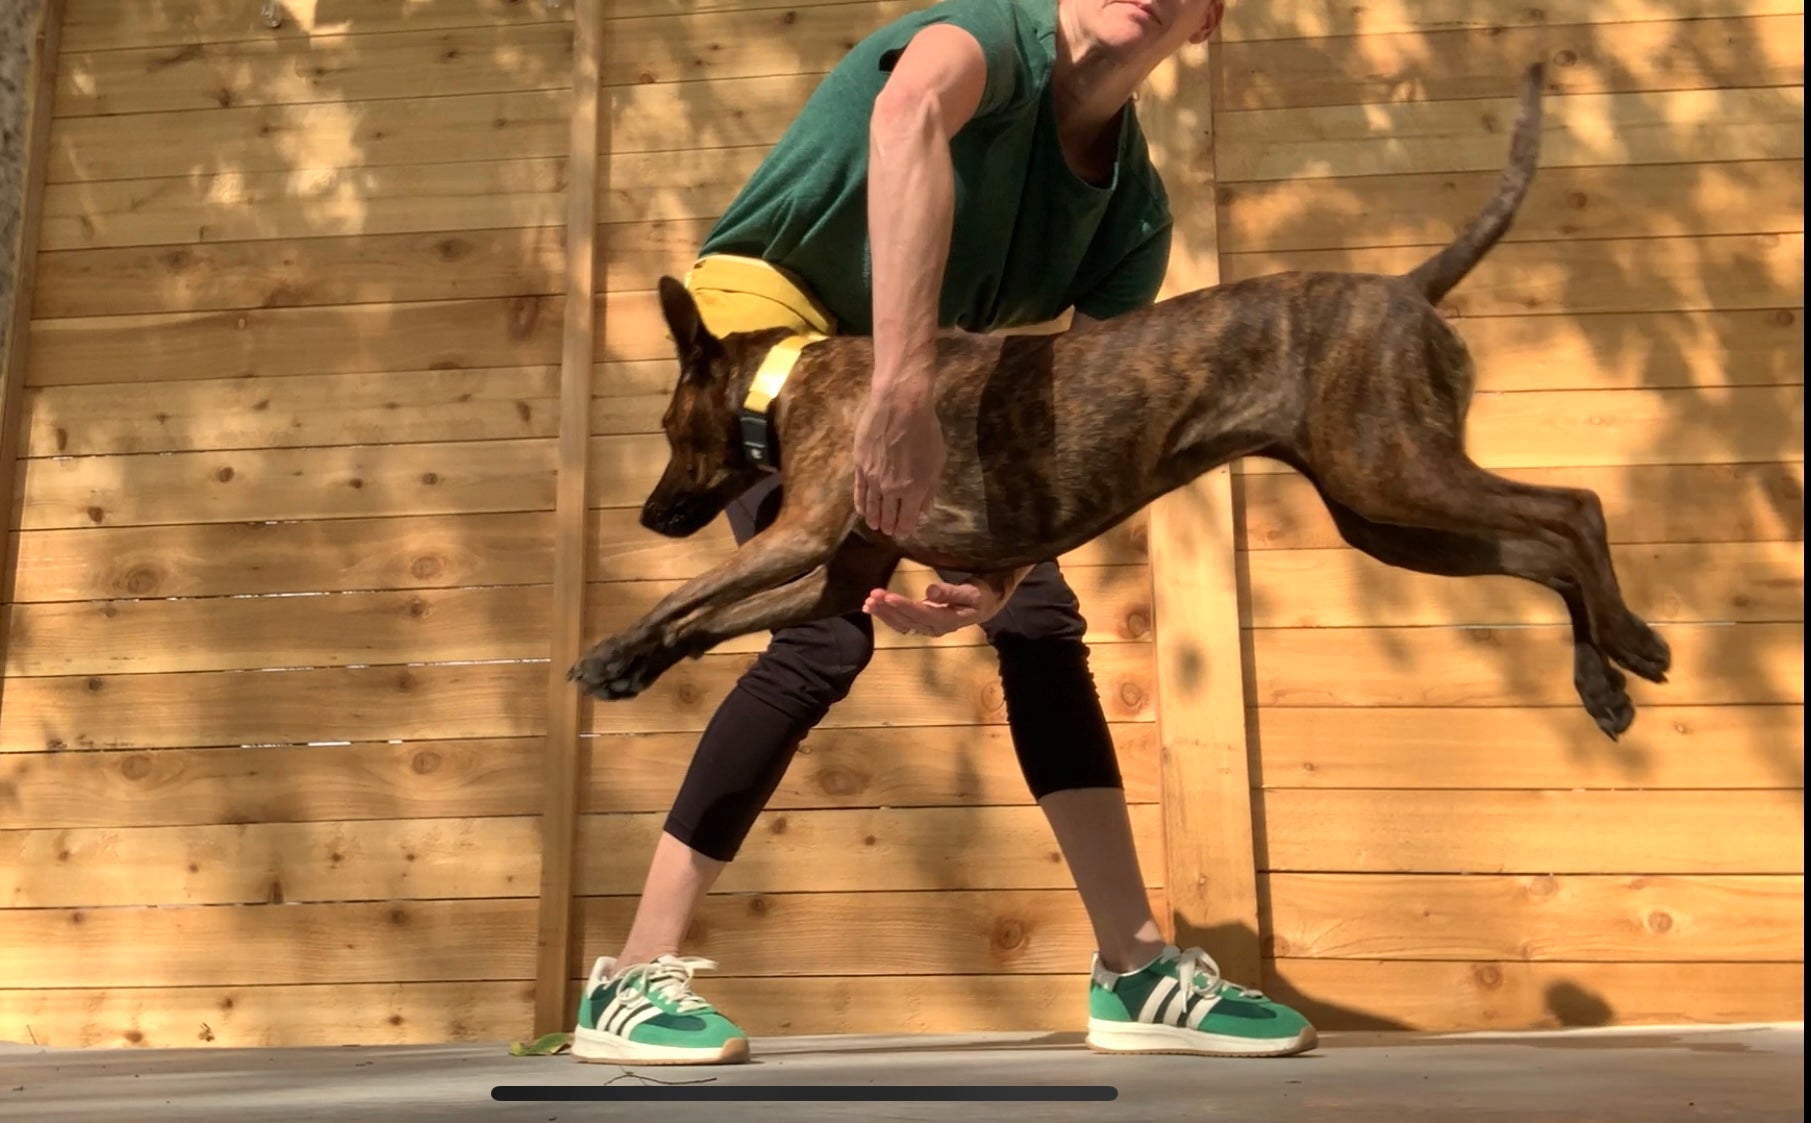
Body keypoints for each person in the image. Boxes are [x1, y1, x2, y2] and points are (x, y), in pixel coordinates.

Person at [571, 0, 1316, 1065]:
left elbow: (1076, 422)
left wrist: (1001, 569)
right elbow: (907, 113)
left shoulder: (1131, 220)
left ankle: (1136, 969)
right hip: (770, 333)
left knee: (1039, 615)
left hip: (911, 364)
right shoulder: (988, 37)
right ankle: (630, 978)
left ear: (1206, 22)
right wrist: (900, 389)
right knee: (823, 626)